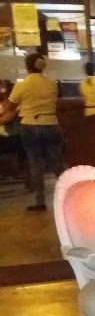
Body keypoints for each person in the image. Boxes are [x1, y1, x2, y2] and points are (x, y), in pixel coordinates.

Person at [1, 54, 65, 211]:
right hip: (52, 123)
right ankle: (72, 193)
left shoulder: (22, 85)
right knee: (57, 162)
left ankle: (40, 201)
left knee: (35, 163)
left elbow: (10, 106)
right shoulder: (52, 84)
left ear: (27, 66)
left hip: (30, 125)